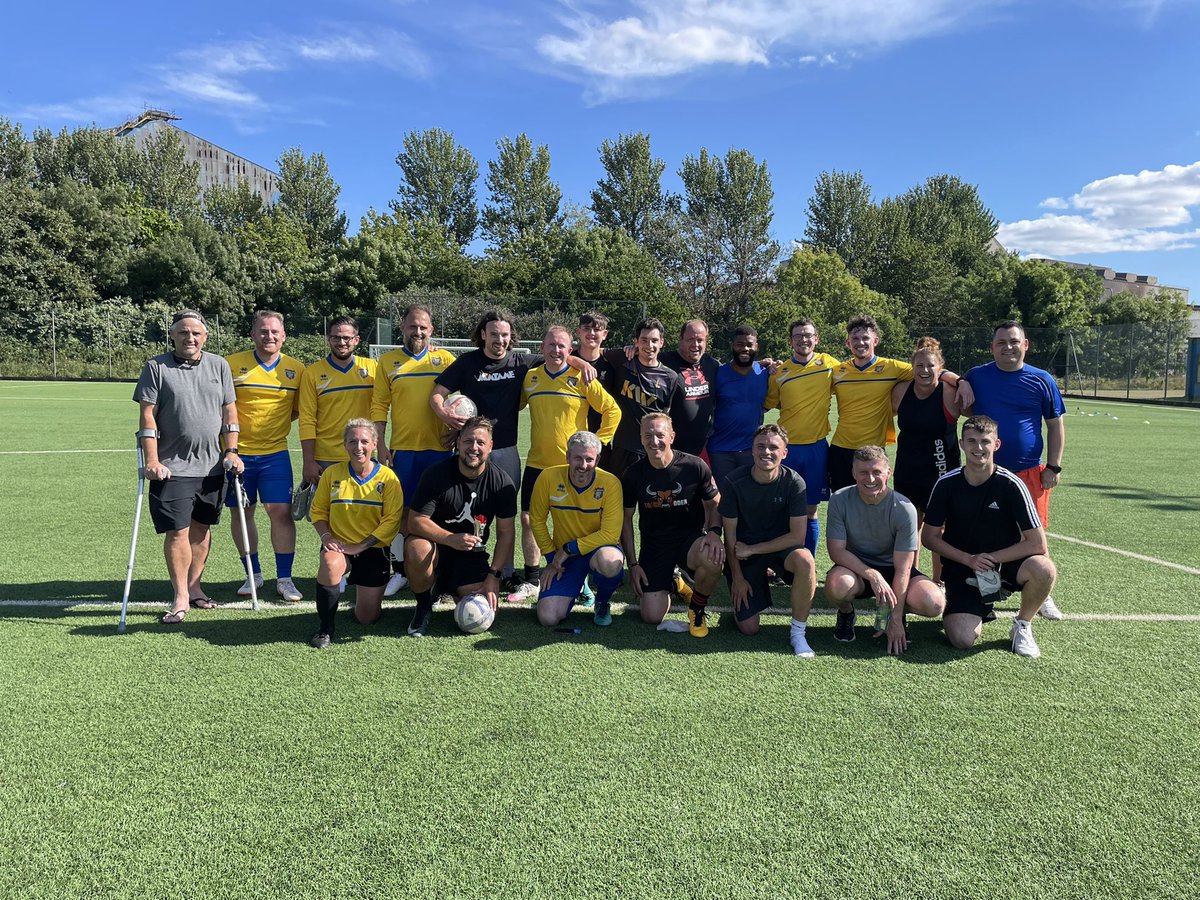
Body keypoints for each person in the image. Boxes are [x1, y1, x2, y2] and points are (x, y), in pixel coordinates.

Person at [432, 309, 579, 601]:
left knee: (506, 515)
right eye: (494, 333)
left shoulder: (521, 361)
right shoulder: (468, 362)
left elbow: (557, 356)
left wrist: (578, 360)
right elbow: (437, 392)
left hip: (506, 450)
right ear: (483, 334)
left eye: (505, 334)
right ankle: (451, 577)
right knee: (458, 513)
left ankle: (506, 572)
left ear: (512, 337)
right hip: (471, 449)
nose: (500, 339)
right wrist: (445, 414)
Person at [133, 309, 242, 624]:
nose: (190, 338)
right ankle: (180, 594)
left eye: (196, 333)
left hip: (212, 468)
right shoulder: (156, 367)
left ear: (205, 336)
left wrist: (231, 451)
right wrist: (152, 461)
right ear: (173, 335)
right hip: (173, 467)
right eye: (183, 332)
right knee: (178, 532)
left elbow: (230, 415)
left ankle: (195, 587)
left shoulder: (219, 365)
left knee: (201, 529)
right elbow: (147, 417)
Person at [921, 416, 1057, 658]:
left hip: (1004, 563)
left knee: (1044, 568)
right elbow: (930, 538)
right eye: (971, 441)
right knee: (962, 639)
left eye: (985, 441)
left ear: (997, 445)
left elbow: (1037, 543)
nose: (978, 448)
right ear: (961, 444)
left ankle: (1022, 625)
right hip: (963, 568)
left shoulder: (1012, 484)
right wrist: (969, 559)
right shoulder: (946, 484)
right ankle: (978, 602)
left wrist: (990, 558)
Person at [964, 320, 1065, 620]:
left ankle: (1042, 593)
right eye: (1001, 342)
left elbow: (1055, 426)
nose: (1008, 347)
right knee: (984, 533)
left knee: (1034, 535)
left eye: (1013, 341)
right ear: (992, 347)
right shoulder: (977, 376)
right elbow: (951, 382)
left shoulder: (1042, 379)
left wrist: (1054, 465)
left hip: (1029, 472)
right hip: (986, 473)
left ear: (1025, 345)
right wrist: (960, 381)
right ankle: (989, 591)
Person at [828, 315, 972, 494]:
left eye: (865, 338)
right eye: (855, 339)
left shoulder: (892, 368)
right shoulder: (836, 371)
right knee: (840, 504)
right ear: (848, 343)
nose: (860, 342)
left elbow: (930, 369)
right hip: (841, 448)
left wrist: (961, 382)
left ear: (876, 340)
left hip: (874, 449)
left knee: (875, 505)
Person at [520, 325, 620, 581]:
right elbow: (512, 406)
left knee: (579, 521)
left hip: (576, 466)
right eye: (551, 345)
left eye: (562, 346)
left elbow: (612, 411)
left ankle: (587, 572)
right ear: (542, 348)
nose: (556, 350)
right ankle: (533, 576)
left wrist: (598, 442)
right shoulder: (530, 378)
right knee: (530, 519)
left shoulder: (582, 377)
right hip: (538, 463)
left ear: (570, 349)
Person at [824, 446, 947, 655]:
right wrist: (872, 574)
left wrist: (896, 618)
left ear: (888, 473)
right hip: (858, 570)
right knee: (837, 585)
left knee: (934, 603)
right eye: (863, 472)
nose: (870, 478)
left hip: (895, 569)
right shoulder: (839, 499)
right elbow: (837, 551)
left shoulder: (904, 507)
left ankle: (895, 613)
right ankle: (846, 613)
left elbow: (904, 567)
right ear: (853, 473)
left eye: (876, 472)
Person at [403, 417, 518, 637]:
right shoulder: (436, 474)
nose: (473, 448)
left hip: (469, 555)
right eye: (468, 441)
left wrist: (493, 576)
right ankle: (424, 606)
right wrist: (449, 538)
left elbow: (506, 533)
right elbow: (415, 521)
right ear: (458, 443)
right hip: (435, 547)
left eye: (480, 443)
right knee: (417, 549)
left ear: (490, 446)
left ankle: (444, 587)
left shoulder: (502, 483)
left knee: (482, 610)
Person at [372, 304, 456, 597]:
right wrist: (380, 444)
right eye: (412, 326)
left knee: (442, 514)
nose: (417, 332)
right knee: (402, 513)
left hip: (440, 451)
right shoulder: (387, 362)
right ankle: (402, 571)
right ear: (402, 327)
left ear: (431, 330)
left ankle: (442, 573)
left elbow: (461, 403)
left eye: (423, 327)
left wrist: (456, 431)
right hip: (403, 452)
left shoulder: (445, 359)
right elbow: (379, 406)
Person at [224, 310, 305, 602]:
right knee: (242, 515)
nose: (269, 336)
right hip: (239, 455)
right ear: (253, 334)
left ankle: (284, 579)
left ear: (283, 336)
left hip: (275, 454)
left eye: (274, 332)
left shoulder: (297, 369)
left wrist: (275, 425)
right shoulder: (231, 364)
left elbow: (299, 409)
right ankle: (253, 574)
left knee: (280, 513)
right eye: (263, 331)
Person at [620, 414, 724, 637]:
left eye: (660, 435)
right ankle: (675, 583)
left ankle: (697, 608)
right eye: (648, 435)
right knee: (651, 616)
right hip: (655, 546)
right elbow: (625, 519)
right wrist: (633, 564)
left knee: (713, 558)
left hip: (690, 540)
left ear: (672, 437)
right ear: (640, 438)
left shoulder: (694, 465)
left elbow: (716, 503)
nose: (654, 441)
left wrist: (714, 533)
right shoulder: (633, 474)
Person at [719, 423, 818, 657]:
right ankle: (739, 608)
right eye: (760, 446)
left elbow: (797, 536)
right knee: (749, 629)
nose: (766, 452)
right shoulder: (734, 482)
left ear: (784, 452)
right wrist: (738, 578)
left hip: (776, 550)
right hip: (743, 554)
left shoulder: (794, 482)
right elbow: (729, 537)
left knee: (805, 560)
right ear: (752, 450)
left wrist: (753, 549)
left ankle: (798, 634)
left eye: (773, 447)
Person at [308, 418, 403, 649]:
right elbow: (318, 512)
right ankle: (325, 628)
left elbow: (391, 521)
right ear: (344, 445)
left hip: (373, 550)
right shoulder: (332, 474)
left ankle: (360, 596)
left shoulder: (388, 478)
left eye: (364, 441)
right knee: (330, 562)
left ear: (374, 444)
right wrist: (327, 538)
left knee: (366, 618)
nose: (358, 447)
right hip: (339, 547)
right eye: (352, 441)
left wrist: (360, 546)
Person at [529, 431, 625, 628]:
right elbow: (537, 520)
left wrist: (569, 548)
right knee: (547, 617)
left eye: (589, 459)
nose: (583, 465)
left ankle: (602, 602)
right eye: (577, 458)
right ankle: (579, 587)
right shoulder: (548, 477)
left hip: (597, 551)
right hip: (564, 559)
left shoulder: (610, 483)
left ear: (597, 459)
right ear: (567, 457)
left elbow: (610, 534)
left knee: (611, 562)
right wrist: (550, 558)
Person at [764, 317, 838, 555]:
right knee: (780, 507)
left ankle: (807, 561)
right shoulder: (780, 372)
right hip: (786, 449)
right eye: (798, 336)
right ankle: (778, 562)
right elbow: (766, 404)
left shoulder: (829, 365)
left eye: (808, 335)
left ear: (816, 339)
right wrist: (762, 368)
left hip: (816, 448)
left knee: (810, 509)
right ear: (790, 342)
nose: (803, 340)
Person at [890, 337, 961, 580]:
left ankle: (939, 581)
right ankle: (911, 578)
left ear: (940, 369)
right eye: (919, 366)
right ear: (912, 367)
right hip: (907, 469)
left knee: (938, 529)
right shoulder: (901, 391)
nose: (924, 370)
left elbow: (973, 411)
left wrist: (961, 381)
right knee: (909, 527)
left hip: (941, 470)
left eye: (930, 366)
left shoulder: (949, 393)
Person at [299, 315, 377, 486]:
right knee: (322, 512)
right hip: (325, 458)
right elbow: (307, 420)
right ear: (329, 339)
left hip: (363, 453)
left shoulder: (373, 368)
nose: (341, 342)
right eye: (336, 337)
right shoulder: (312, 373)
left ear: (356, 340)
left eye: (346, 338)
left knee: (363, 511)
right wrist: (308, 461)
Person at [602, 317, 684, 475]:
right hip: (622, 446)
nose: (649, 346)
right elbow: (592, 350)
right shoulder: (622, 360)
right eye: (644, 340)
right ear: (636, 342)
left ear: (661, 343)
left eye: (654, 340)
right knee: (621, 497)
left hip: (651, 449)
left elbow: (665, 416)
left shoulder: (670, 377)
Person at [707, 325, 770, 493]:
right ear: (732, 345)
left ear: (756, 346)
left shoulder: (765, 373)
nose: (745, 349)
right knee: (724, 501)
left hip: (752, 449)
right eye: (740, 344)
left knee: (751, 499)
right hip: (720, 451)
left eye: (749, 345)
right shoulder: (718, 373)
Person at [660, 319, 720, 457]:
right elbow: (642, 355)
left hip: (702, 448)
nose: (695, 344)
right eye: (690, 339)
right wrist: (632, 349)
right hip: (670, 449)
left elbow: (736, 369)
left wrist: (761, 366)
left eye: (700, 340)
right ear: (680, 339)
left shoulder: (712, 365)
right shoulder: (664, 361)